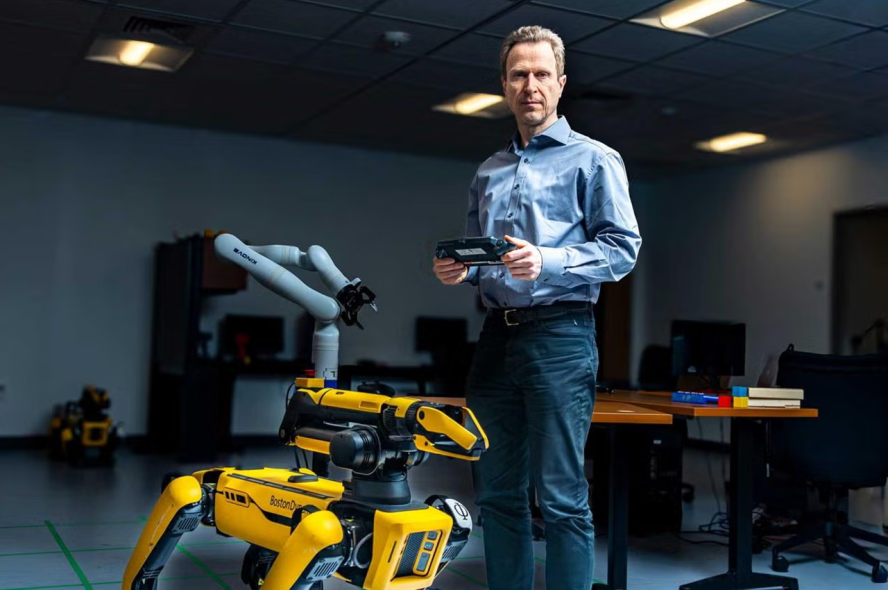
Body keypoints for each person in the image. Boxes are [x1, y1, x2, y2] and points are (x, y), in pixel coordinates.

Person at [432, 25, 641, 590]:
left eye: (542, 74)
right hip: (496, 340)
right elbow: (481, 254)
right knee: (496, 493)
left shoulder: (594, 160)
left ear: (561, 83)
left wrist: (547, 261)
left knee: (562, 498)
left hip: (561, 335)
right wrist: (461, 269)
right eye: (519, 75)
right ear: (504, 85)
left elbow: (623, 250)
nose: (531, 85)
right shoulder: (489, 170)